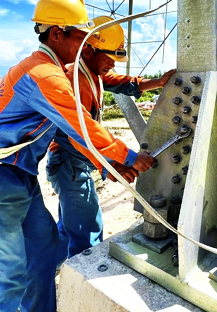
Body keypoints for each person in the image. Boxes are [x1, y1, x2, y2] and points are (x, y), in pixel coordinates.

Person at [0, 0, 157, 312]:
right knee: (0, 281)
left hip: (18, 176)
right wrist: (126, 157)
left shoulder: (59, 69)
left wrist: (108, 160)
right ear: (57, 33)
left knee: (45, 248)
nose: (85, 47)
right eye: (80, 38)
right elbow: (78, 122)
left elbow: (100, 96)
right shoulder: (43, 73)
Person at [46, 15, 176, 264]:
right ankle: (85, 273)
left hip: (73, 162)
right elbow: (79, 135)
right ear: (89, 49)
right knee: (87, 227)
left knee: (70, 222)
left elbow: (120, 83)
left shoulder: (92, 71)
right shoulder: (74, 78)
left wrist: (157, 82)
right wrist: (113, 164)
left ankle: (64, 266)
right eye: (109, 58)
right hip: (69, 161)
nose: (112, 65)